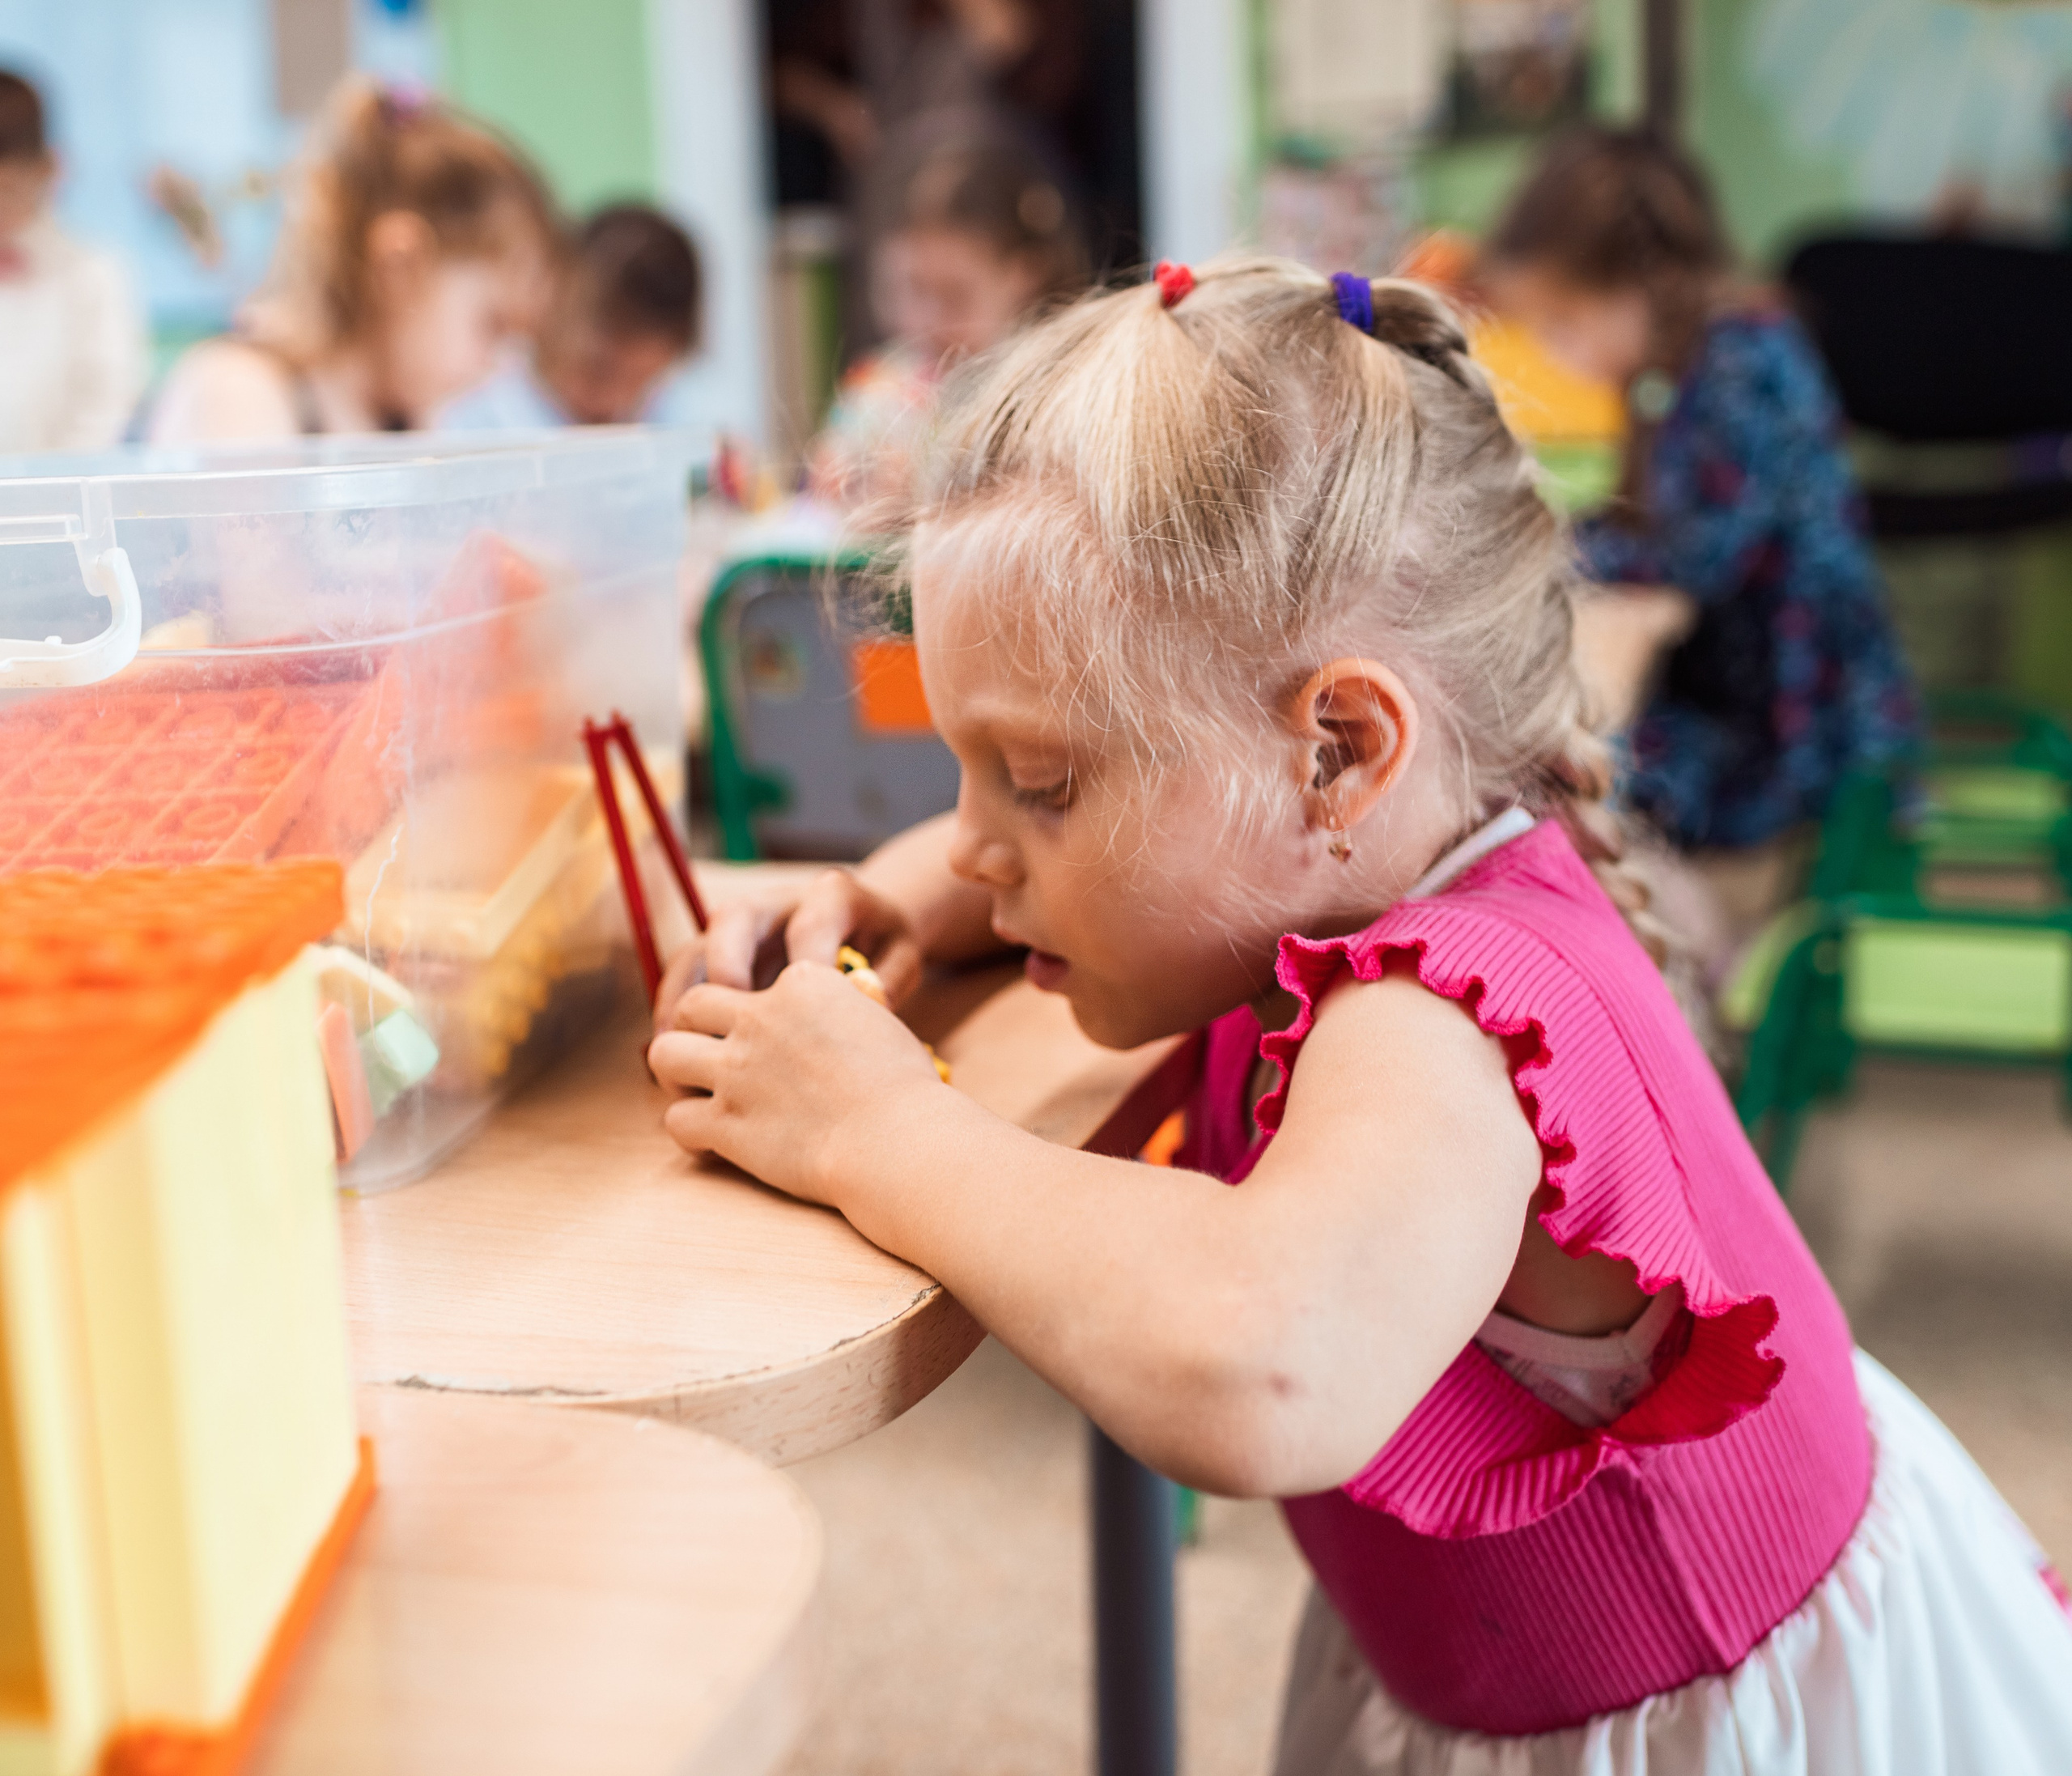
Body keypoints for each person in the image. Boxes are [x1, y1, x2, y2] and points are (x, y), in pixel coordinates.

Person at [647, 260, 2072, 1772]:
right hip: (1507, 1666)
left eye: (1042, 783)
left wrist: (884, 1127)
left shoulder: (1447, 1018)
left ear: (1338, 747)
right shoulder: (1389, 839)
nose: (982, 835)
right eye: (966, 771)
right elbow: (1035, 841)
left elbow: (1262, 1367)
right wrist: (902, 891)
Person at [1478, 127, 1917, 904]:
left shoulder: (1742, 360)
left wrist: (1518, 548)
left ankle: (1669, 959)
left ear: (1623, 289)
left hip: (1799, 738)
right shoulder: (1705, 360)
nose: (1560, 352)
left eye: (1562, 324)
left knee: (1554, 770)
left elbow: (1686, 554)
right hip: (1764, 703)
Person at [150, 79, 554, 444]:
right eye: (493, 326)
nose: (502, 365)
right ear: (401, 267)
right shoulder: (241, 390)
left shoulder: (402, 417)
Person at [807, 131, 1085, 503]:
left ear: (1024, 277)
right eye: (909, 289)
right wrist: (840, 480)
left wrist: (926, 496)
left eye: (955, 296)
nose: (926, 321)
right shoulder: (880, 385)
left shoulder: (1056, 391)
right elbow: (825, 476)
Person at [437, 203, 701, 429]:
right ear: (551, 303)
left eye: (641, 384)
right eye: (600, 371)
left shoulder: (668, 417)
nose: (615, 401)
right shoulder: (474, 410)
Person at [0, 70, 147, 453]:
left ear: (48, 169)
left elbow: (106, 404)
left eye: (7, 189)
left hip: (54, 495)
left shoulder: (92, 273)